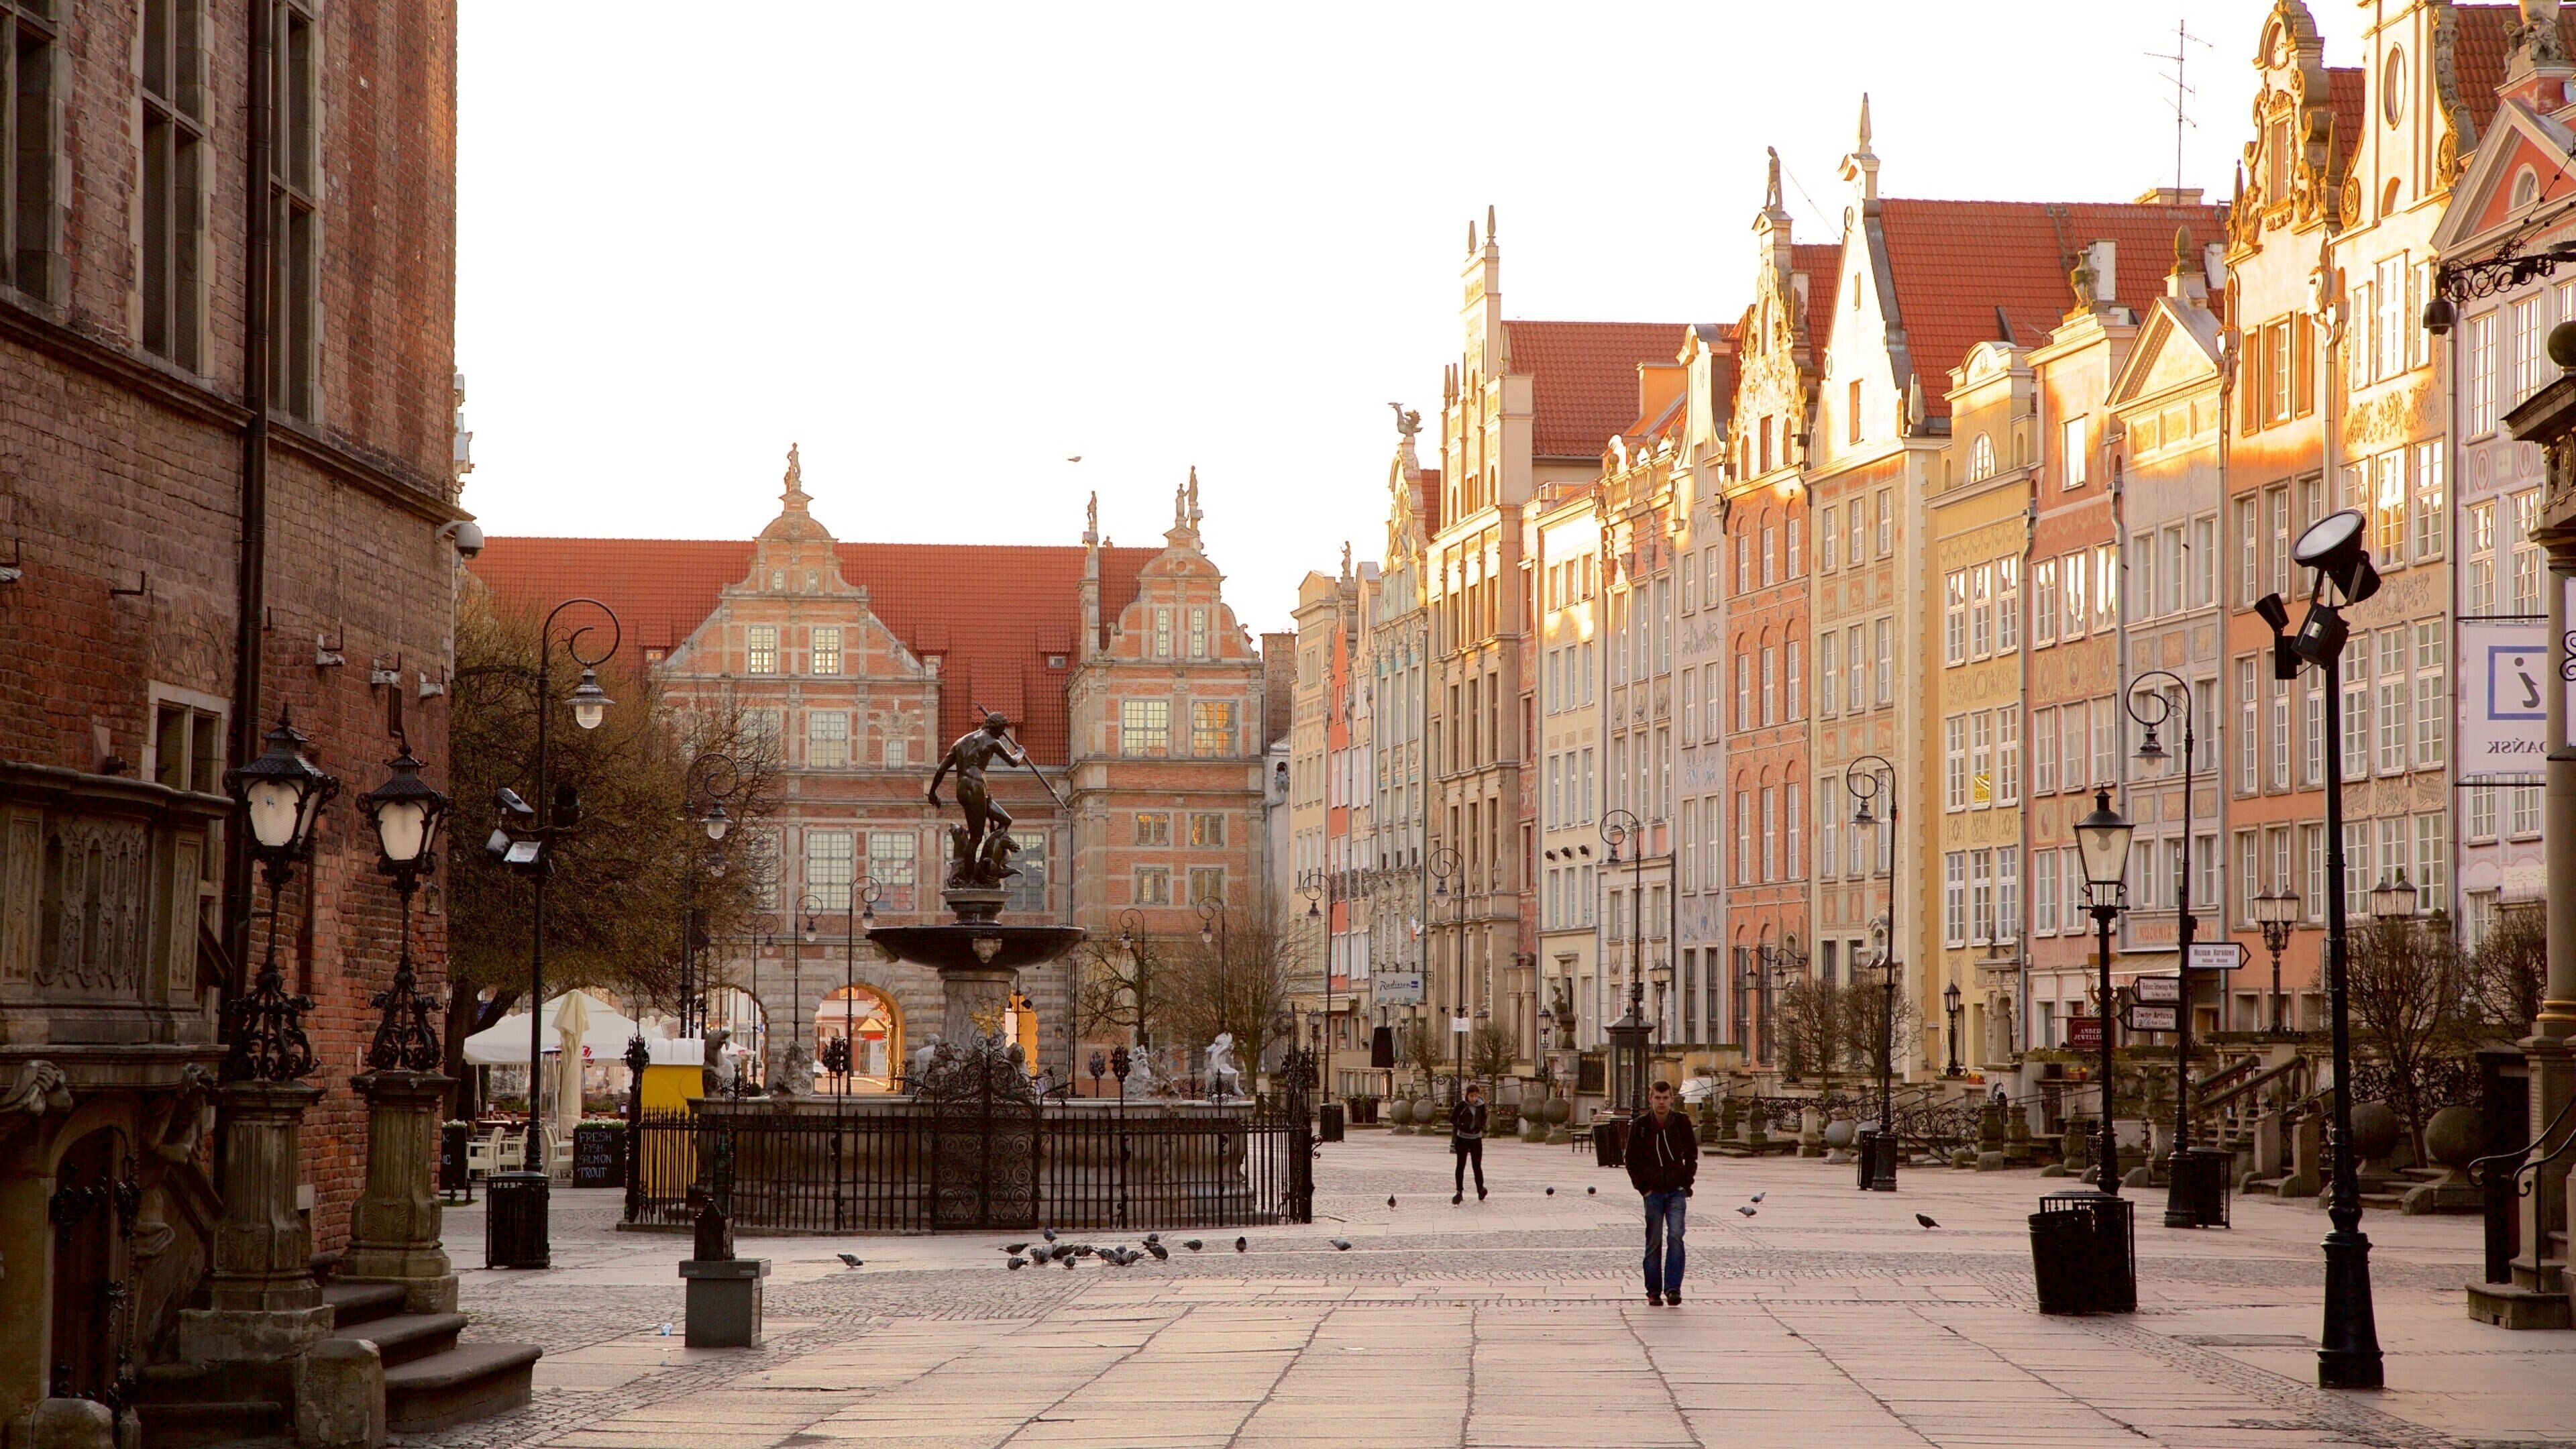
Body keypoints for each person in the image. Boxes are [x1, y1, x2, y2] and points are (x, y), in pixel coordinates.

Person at [1624, 1079, 1699, 1306]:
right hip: (1653, 1193)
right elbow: (1631, 1160)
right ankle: (1653, 1290)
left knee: (1676, 1236)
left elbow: (1692, 1155)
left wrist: (1686, 1184)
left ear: (1672, 1100)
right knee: (1654, 1241)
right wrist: (1643, 1188)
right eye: (1657, 1098)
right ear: (1651, 1099)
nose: (1661, 1103)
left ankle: (1673, 1288)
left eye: (1665, 1098)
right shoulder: (1641, 1125)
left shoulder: (1681, 1122)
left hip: (1676, 1191)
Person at [1450, 1083, 1489, 1203]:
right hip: (1463, 1138)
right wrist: (1461, 1126)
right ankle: (1459, 1191)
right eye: (1472, 1096)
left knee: (1477, 1165)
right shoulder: (1462, 1105)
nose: (1474, 1099)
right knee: (1461, 1165)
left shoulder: (1481, 1105)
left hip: (1476, 1138)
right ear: (1467, 1095)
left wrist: (1481, 1127)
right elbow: (1452, 1119)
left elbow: (1483, 1118)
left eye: (1476, 1096)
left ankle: (1480, 1189)